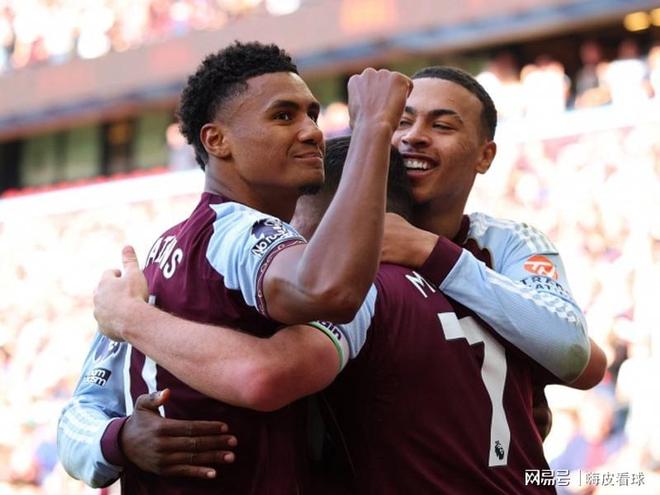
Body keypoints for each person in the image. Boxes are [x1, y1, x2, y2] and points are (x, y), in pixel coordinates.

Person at [92, 136, 596, 493]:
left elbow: (264, 376)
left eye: (301, 234)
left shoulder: (361, 293)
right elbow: (582, 364)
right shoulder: (488, 289)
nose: (293, 251)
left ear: (345, 219)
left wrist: (130, 317)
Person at [58, 40, 412, 493]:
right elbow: (328, 288)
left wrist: (129, 322)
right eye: (283, 116)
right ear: (216, 140)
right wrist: (373, 128)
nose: (311, 131)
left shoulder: (151, 269)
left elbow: (82, 408)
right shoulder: (237, 235)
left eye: (312, 114)